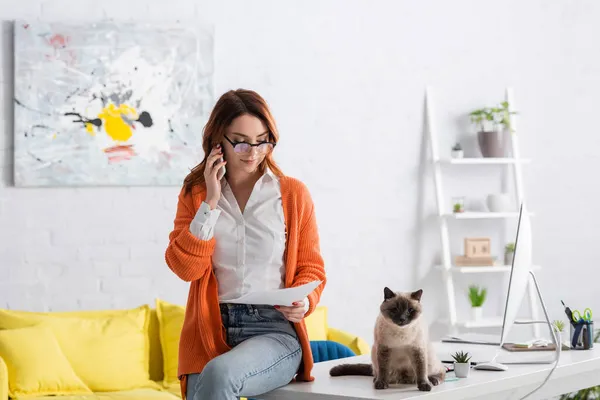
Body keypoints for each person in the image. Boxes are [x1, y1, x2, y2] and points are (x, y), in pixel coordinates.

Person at [164, 89, 327, 400]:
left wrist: (305, 302)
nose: (252, 152)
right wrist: (210, 202)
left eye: (262, 140)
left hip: (272, 331)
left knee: (220, 374)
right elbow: (185, 268)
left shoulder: (292, 194)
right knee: (209, 381)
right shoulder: (196, 194)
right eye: (240, 141)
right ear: (217, 139)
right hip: (209, 330)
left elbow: (311, 267)